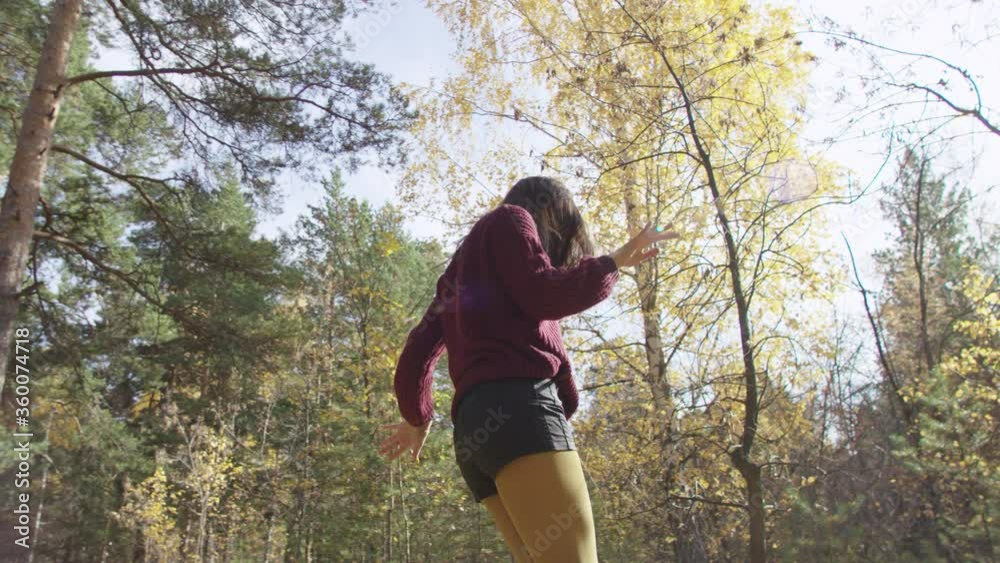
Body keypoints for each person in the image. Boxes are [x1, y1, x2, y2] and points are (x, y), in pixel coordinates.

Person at [378, 176, 678, 562]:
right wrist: (614, 261)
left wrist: (417, 417)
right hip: (521, 415)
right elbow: (546, 292)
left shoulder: (459, 272)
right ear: (551, 214)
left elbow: (418, 348)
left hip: (476, 435)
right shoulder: (512, 219)